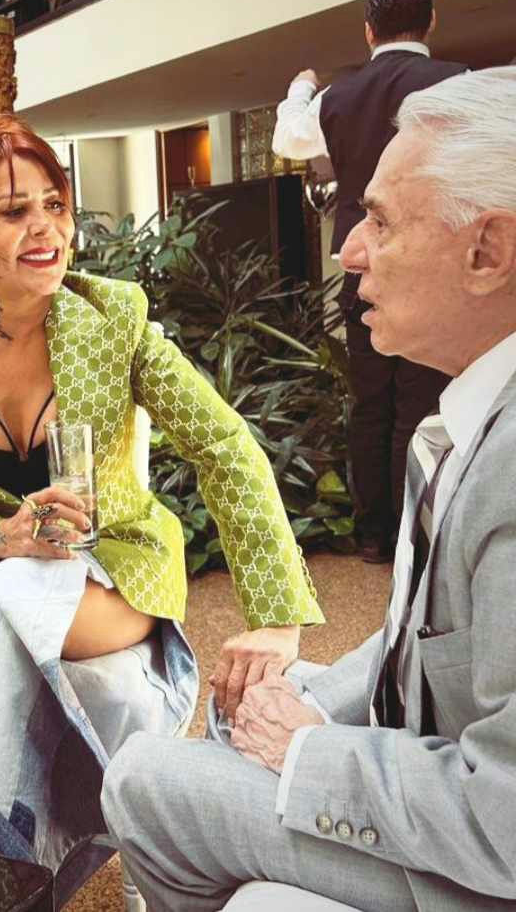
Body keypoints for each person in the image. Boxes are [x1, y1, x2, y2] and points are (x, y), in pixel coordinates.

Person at [0, 115, 323, 892]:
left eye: (55, 205)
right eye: (14, 210)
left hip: (112, 570)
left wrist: (275, 607)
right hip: (8, 562)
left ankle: (1, 859)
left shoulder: (112, 320)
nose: (47, 228)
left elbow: (225, 446)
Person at [103, 67, 516, 911]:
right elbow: (430, 641)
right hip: (450, 777)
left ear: (487, 252)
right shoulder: (475, 412)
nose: (347, 248)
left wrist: (312, 752)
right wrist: (296, 699)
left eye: (379, 219)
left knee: (144, 776)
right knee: (237, 709)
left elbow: (506, 816)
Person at [271, 0, 465, 564]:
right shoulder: (456, 84)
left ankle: (373, 534)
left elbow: (290, 138)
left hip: (361, 269)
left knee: (370, 401)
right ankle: (414, 531)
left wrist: (301, 88)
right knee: (420, 403)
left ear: (368, 31)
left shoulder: (340, 95)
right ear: (430, 23)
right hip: (431, 268)